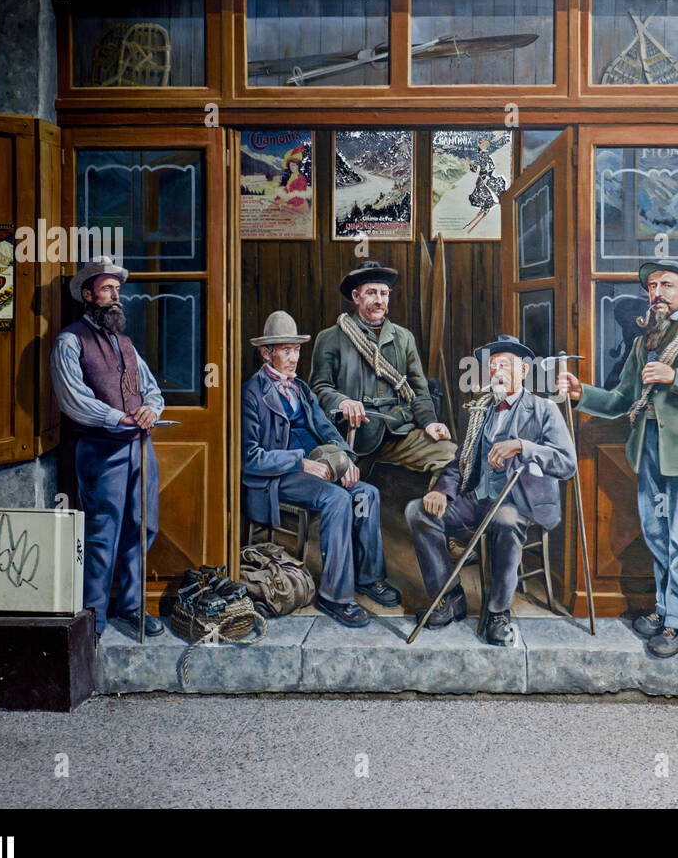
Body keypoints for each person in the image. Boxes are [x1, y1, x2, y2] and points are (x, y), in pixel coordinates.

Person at [557, 259, 678, 658]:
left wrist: (677, 378)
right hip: (650, 445)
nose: (657, 292)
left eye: (666, 285)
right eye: (652, 286)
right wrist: (581, 394)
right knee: (657, 534)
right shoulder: (645, 342)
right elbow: (623, 399)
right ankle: (665, 610)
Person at [405, 335, 576, 646]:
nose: (497, 372)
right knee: (417, 512)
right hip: (479, 499)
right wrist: (443, 491)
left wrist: (523, 446)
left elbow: (566, 464)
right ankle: (450, 598)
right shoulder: (481, 410)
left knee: (506, 519)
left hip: (520, 500)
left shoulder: (543, 409)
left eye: (506, 365)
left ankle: (498, 612)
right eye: (493, 366)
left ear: (524, 371)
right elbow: (461, 461)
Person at [242, 310, 401, 628]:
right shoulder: (252, 394)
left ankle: (368, 578)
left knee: (366, 493)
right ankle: (335, 596)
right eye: (285, 350)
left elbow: (327, 429)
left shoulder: (300, 388)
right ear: (266, 352)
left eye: (296, 349)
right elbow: (250, 458)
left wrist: (346, 459)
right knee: (336, 500)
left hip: (316, 466)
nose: (293, 357)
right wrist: (299, 462)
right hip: (278, 478)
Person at [51, 256, 165, 640]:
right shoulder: (70, 341)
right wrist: (119, 419)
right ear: (88, 295)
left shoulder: (126, 343)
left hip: (140, 450)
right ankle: (94, 619)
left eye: (118, 289)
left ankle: (132, 608)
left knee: (142, 525)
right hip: (101, 451)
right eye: (107, 289)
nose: (117, 296)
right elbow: (73, 399)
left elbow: (150, 388)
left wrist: (150, 408)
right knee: (102, 534)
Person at [310, 263, 456, 482]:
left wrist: (429, 423)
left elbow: (418, 389)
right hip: (350, 437)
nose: (379, 300)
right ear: (356, 296)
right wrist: (342, 402)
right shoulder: (331, 337)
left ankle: (430, 511)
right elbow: (318, 389)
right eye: (371, 293)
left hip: (398, 432)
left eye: (384, 293)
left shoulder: (403, 338)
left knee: (449, 454)